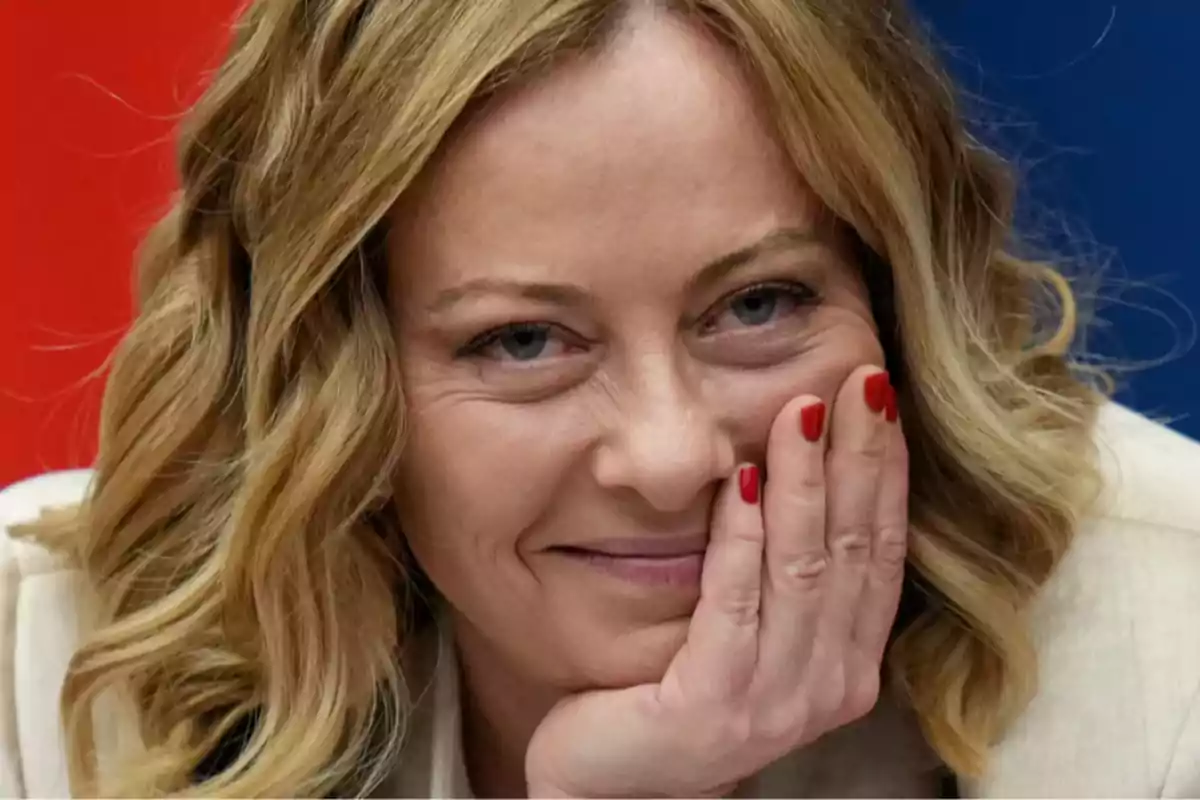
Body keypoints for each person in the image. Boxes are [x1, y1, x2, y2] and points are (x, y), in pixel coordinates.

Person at [1, 0, 1198, 796]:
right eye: (524, 339)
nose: (671, 456)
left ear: (897, 296)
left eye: (759, 304)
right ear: (331, 376)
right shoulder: (36, 659)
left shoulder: (1171, 641)